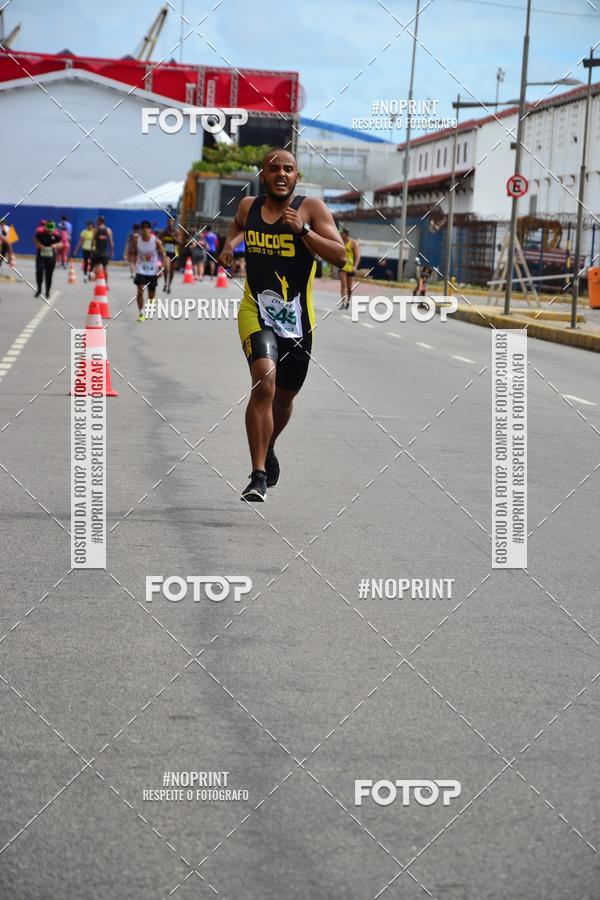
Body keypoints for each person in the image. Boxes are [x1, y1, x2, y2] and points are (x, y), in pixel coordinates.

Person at [220, 147, 346, 502]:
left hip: (297, 322)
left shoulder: (311, 209)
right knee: (264, 384)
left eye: (288, 168)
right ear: (263, 175)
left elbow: (341, 256)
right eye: (273, 168)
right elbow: (237, 224)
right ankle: (257, 475)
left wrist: (304, 230)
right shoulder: (249, 207)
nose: (280, 173)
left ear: (296, 176)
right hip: (255, 311)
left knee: (285, 398)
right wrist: (230, 245)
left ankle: (269, 444)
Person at [129, 219, 165, 322]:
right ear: (141, 230)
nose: (145, 229)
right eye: (143, 227)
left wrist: (161, 268)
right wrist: (132, 260)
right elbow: (133, 252)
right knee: (140, 290)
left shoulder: (156, 241)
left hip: (153, 271)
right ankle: (141, 313)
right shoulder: (137, 240)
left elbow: (163, 254)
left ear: (150, 230)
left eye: (147, 227)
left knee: (151, 295)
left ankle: (151, 303)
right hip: (141, 269)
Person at [34, 220, 63, 298]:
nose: (49, 231)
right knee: (39, 272)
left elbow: (61, 244)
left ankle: (47, 291)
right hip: (41, 256)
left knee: (49, 274)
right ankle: (39, 289)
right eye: (48, 229)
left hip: (51, 257)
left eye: (51, 229)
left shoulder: (56, 235)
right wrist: (39, 245)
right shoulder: (40, 234)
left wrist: (56, 245)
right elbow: (36, 240)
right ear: (45, 227)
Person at [339, 227, 360, 309]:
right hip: (342, 266)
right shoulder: (340, 242)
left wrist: (355, 266)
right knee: (343, 285)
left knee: (349, 286)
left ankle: (348, 301)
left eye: (342, 234)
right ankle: (343, 303)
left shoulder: (353, 243)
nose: (341, 235)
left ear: (346, 234)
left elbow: (357, 255)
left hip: (351, 267)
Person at [160, 219, 180, 292]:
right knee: (166, 268)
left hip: (174, 253)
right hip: (166, 253)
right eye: (168, 223)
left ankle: (169, 285)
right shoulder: (164, 232)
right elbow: (158, 239)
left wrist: (173, 237)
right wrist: (161, 242)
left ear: (173, 224)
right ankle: (165, 283)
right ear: (167, 224)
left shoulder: (176, 232)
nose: (170, 224)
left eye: (171, 223)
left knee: (171, 271)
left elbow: (179, 242)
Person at [91, 215, 114, 281]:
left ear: (99, 221)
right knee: (105, 269)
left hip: (97, 252)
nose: (96, 221)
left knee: (97, 267)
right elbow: (111, 242)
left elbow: (93, 242)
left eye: (97, 220)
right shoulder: (108, 230)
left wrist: (91, 251)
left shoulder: (95, 230)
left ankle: (99, 282)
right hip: (104, 253)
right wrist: (112, 252)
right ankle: (105, 284)